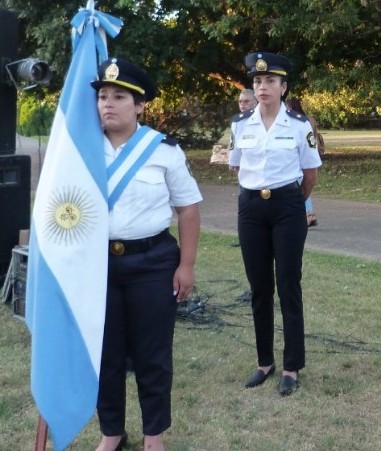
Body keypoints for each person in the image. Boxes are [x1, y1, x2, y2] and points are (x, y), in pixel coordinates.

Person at [91, 58, 202, 451]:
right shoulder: (82, 150)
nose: (108, 103)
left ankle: (154, 435)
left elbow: (188, 208)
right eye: (103, 95)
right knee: (106, 355)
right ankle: (112, 432)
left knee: (152, 355)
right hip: (97, 265)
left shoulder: (163, 150)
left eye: (119, 96)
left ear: (140, 106)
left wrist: (185, 266)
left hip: (152, 262)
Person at [229, 51, 322, 396]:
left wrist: (293, 204)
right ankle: (264, 361)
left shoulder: (299, 125)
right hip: (251, 208)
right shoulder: (240, 125)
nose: (262, 86)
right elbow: (236, 166)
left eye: (270, 81)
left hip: (287, 206)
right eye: (257, 81)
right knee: (259, 287)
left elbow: (309, 174)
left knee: (288, 284)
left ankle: (292, 366)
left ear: (284, 87)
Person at [285, 96, 324, 227]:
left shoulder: (297, 122)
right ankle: (309, 213)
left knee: (300, 184)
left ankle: (308, 214)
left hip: (301, 156)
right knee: (304, 184)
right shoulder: (309, 119)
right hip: (312, 152)